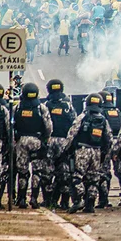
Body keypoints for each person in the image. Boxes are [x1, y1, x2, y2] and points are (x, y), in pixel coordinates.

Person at [63, 93, 113, 214]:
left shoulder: (82, 117)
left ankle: (79, 200)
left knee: (76, 176)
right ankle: (90, 204)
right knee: (93, 178)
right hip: (96, 151)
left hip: (82, 150)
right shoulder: (103, 119)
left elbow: (72, 134)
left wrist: (66, 150)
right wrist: (104, 154)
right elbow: (109, 138)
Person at [12, 83, 53, 209]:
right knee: (37, 171)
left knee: (22, 171)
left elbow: (11, 126)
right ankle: (34, 198)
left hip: (21, 141)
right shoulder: (42, 108)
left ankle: (22, 198)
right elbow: (48, 126)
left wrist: (15, 140)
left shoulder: (17, 108)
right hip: (36, 140)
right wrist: (45, 139)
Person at [44, 79, 77, 210]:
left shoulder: (46, 105)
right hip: (64, 142)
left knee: (47, 172)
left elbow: (44, 124)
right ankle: (64, 202)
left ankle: (49, 201)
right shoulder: (68, 106)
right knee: (64, 172)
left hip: (50, 141)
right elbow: (74, 124)